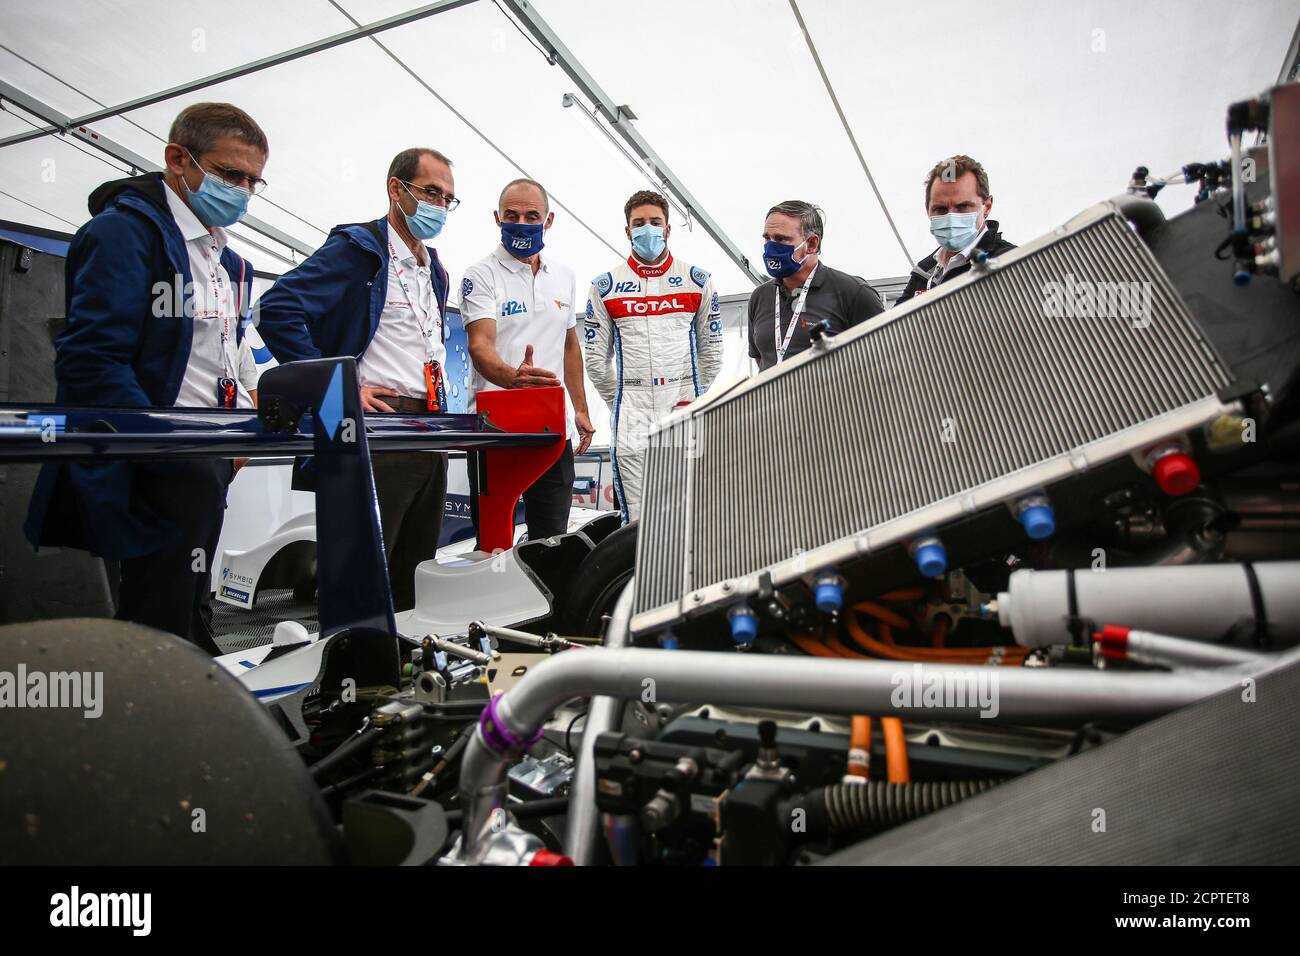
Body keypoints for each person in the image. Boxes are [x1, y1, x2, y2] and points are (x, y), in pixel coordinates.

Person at [24, 102, 268, 652]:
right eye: (231, 175)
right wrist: (163, 452)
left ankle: (193, 712)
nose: (244, 191)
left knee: (189, 608)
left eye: (254, 181)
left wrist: (247, 414)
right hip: (162, 461)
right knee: (155, 622)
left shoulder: (225, 259)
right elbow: (91, 358)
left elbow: (229, 346)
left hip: (210, 456)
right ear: (177, 159)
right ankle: (149, 726)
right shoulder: (121, 235)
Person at [253, 147, 455, 610]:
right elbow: (276, 309)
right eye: (430, 192)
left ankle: (398, 673)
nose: (440, 206)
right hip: (375, 431)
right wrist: (337, 387)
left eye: (447, 198)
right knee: (361, 575)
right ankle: (348, 673)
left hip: (428, 429)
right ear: (395, 189)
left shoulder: (435, 268)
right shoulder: (357, 250)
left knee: (415, 576)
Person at [460, 178, 594, 543]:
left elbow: (569, 346)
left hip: (552, 428)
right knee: (493, 541)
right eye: (512, 215)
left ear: (548, 220)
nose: (522, 222)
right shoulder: (480, 274)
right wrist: (512, 379)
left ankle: (547, 603)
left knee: (551, 541)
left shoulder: (564, 276)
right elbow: (480, 346)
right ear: (497, 218)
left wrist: (580, 410)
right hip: (494, 429)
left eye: (532, 215)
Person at [584, 189, 722, 522]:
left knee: (690, 509)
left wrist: (692, 396)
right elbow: (595, 360)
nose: (648, 229)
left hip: (682, 402)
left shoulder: (697, 280)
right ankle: (641, 574)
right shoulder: (606, 285)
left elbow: (713, 350)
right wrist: (621, 399)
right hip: (632, 406)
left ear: (668, 229)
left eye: (655, 222)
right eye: (639, 223)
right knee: (639, 517)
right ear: (628, 231)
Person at [748, 200, 884, 372]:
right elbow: (762, 359)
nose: (770, 247)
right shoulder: (760, 296)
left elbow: (884, 358)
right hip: (771, 399)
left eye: (781, 239)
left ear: (811, 244)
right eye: (767, 238)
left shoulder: (854, 292)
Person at [894, 155, 1016, 305]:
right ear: (928, 210)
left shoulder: (1010, 263)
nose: (951, 216)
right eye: (940, 208)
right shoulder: (924, 272)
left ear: (987, 207)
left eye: (962, 206)